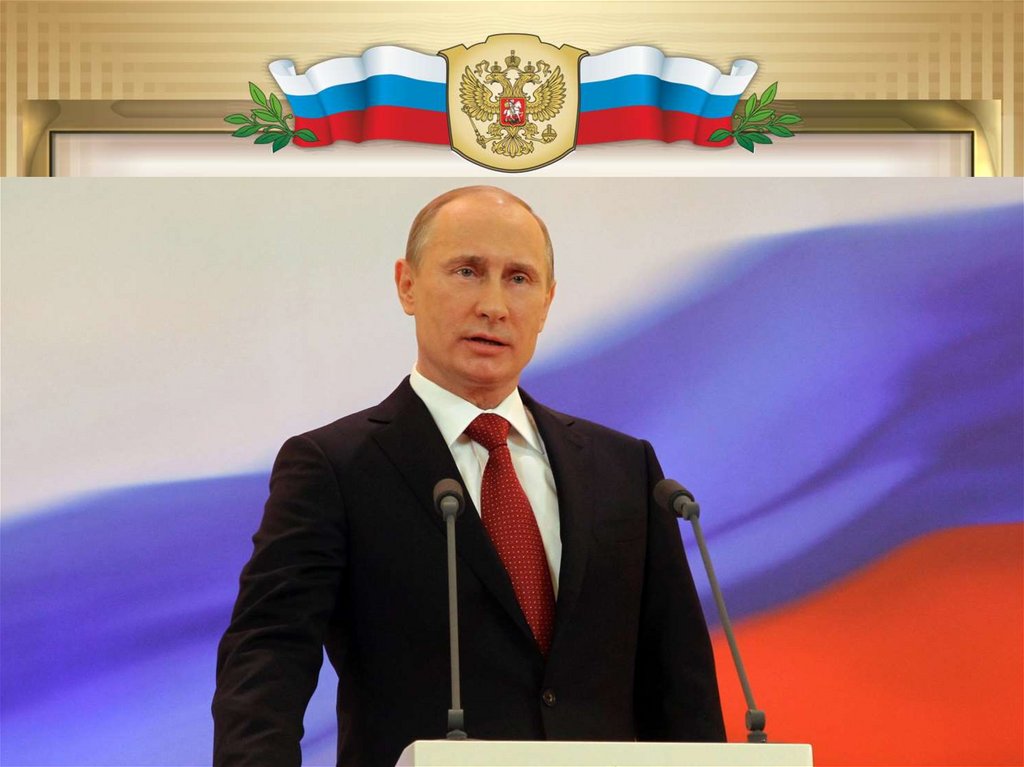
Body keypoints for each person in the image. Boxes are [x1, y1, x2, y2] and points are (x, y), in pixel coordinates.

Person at [212, 186, 726, 767]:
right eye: (467, 271)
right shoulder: (334, 468)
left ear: (547, 302)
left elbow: (680, 688)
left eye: (519, 279)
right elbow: (268, 657)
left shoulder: (625, 470)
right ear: (407, 285)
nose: (494, 306)